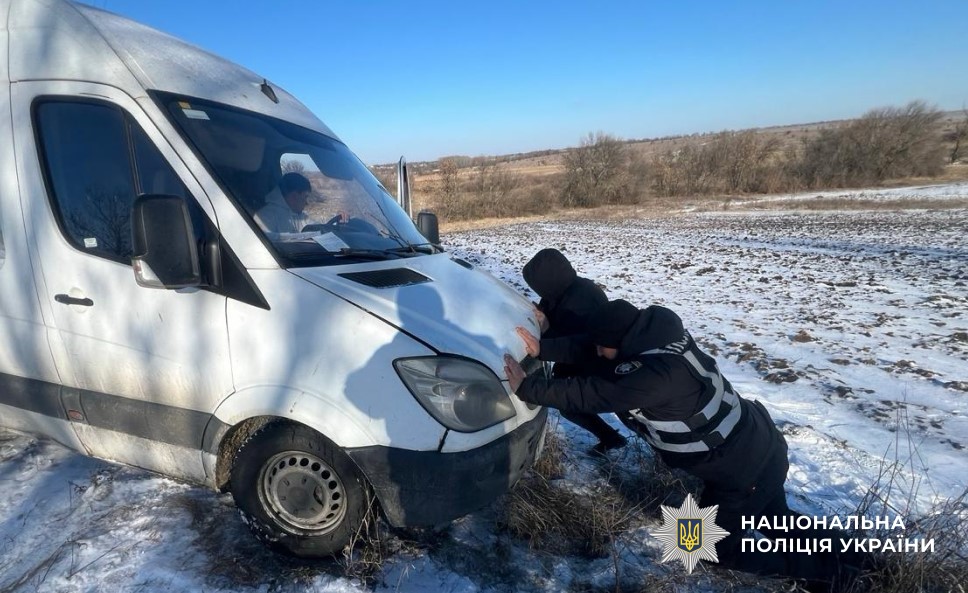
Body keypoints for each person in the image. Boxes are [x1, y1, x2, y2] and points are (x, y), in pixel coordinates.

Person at [504, 299, 868, 593]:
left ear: (620, 341)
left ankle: (831, 578)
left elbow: (593, 393)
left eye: (603, 347)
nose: (597, 352)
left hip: (741, 471)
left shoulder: (655, 377)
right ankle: (863, 560)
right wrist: (545, 348)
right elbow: (591, 346)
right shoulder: (657, 334)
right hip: (760, 446)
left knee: (697, 546)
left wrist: (528, 387)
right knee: (776, 518)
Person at [521, 248, 627, 455]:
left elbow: (575, 346)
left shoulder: (580, 302)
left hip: (599, 363)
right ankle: (612, 438)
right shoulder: (563, 290)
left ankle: (612, 438)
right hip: (583, 361)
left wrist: (546, 329)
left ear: (548, 281)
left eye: (538, 285)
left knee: (570, 404)